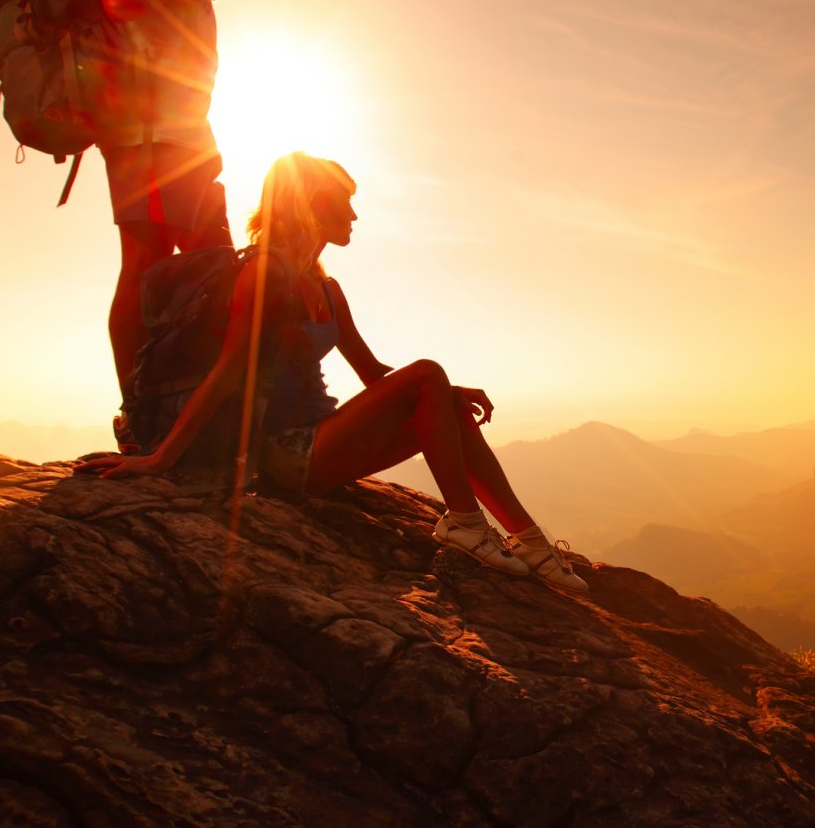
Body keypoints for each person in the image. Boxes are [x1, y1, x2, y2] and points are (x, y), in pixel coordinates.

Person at [77, 152, 587, 594]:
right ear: (312, 204)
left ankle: (529, 541)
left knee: (442, 394)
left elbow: (373, 374)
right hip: (283, 456)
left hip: (322, 442)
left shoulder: (325, 289)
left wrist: (447, 392)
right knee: (428, 372)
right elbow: (229, 372)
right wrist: (161, 459)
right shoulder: (264, 273)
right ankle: (465, 524)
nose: (355, 214)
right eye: (344, 201)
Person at [98, 0, 275, 411]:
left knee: (213, 262)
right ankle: (138, 410)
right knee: (145, 263)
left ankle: (204, 404)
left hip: (188, 134)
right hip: (145, 133)